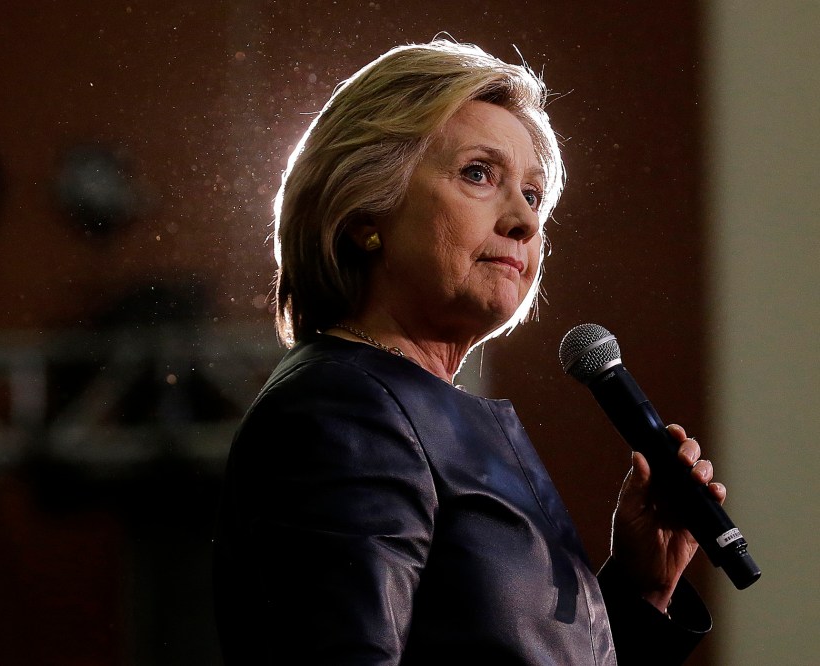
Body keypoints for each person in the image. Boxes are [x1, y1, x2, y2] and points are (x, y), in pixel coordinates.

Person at [213, 39, 722, 665]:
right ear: (364, 207)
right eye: (478, 173)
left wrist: (642, 588)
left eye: (534, 196)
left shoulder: (414, 410)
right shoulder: (341, 411)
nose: (525, 222)